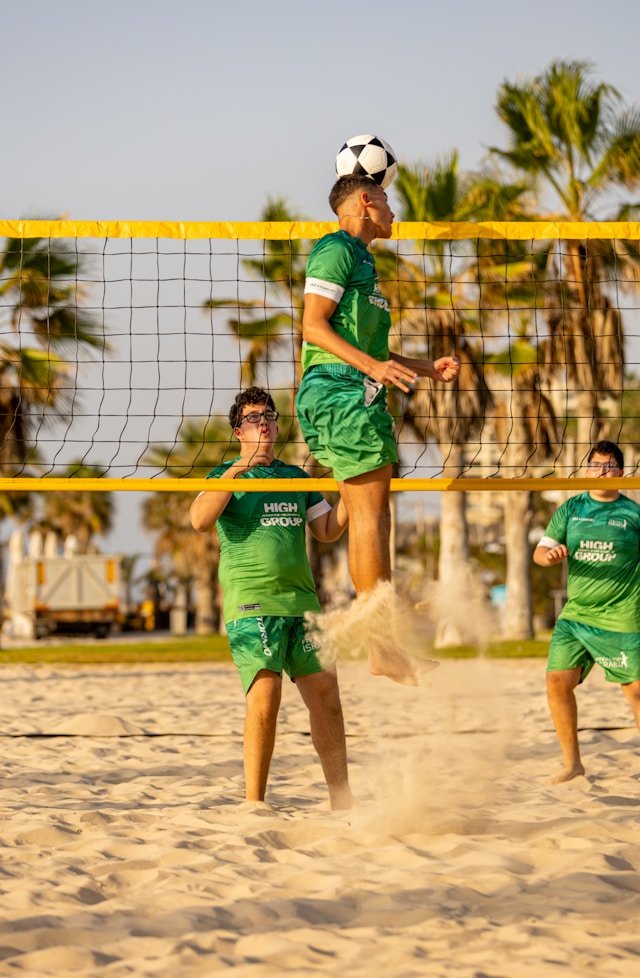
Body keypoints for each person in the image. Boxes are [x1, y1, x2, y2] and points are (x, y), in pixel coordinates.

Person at [295, 173, 460, 682]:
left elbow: (369, 350)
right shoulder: (336, 249)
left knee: (370, 516)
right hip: (341, 394)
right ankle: (382, 646)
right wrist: (371, 369)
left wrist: (425, 368)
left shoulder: (362, 260)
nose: (393, 211)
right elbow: (312, 326)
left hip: (351, 392)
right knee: (371, 518)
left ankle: (382, 643)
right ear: (365, 201)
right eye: (387, 200)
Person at [190, 386, 352, 810]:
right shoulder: (224, 476)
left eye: (269, 416)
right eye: (253, 418)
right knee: (265, 698)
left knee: (327, 696)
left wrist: (354, 493)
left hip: (302, 605)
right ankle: (255, 804)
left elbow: (327, 530)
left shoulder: (296, 478)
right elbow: (200, 520)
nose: (263, 423)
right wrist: (239, 469)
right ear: (238, 431)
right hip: (252, 605)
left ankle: (342, 800)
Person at [533, 440, 640, 783]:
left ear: (621, 472)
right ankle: (572, 764)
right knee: (556, 682)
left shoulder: (633, 513)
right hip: (577, 616)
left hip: (621, 616)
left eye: (609, 466)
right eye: (595, 465)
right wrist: (549, 557)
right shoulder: (571, 507)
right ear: (586, 469)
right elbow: (540, 552)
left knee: (636, 692)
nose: (602, 472)